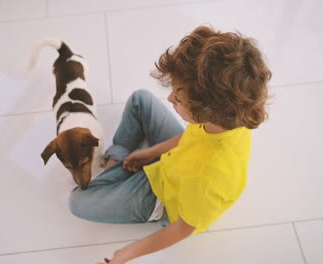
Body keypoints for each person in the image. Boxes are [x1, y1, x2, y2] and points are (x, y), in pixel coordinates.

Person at [68, 25, 272, 264]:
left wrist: (125, 255)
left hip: (163, 197)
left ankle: (117, 168)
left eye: (177, 97)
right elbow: (191, 137)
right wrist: (151, 152)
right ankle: (119, 164)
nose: (169, 98)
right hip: (174, 163)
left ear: (204, 112)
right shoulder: (229, 117)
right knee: (140, 99)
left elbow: (183, 228)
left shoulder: (209, 178)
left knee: (77, 202)